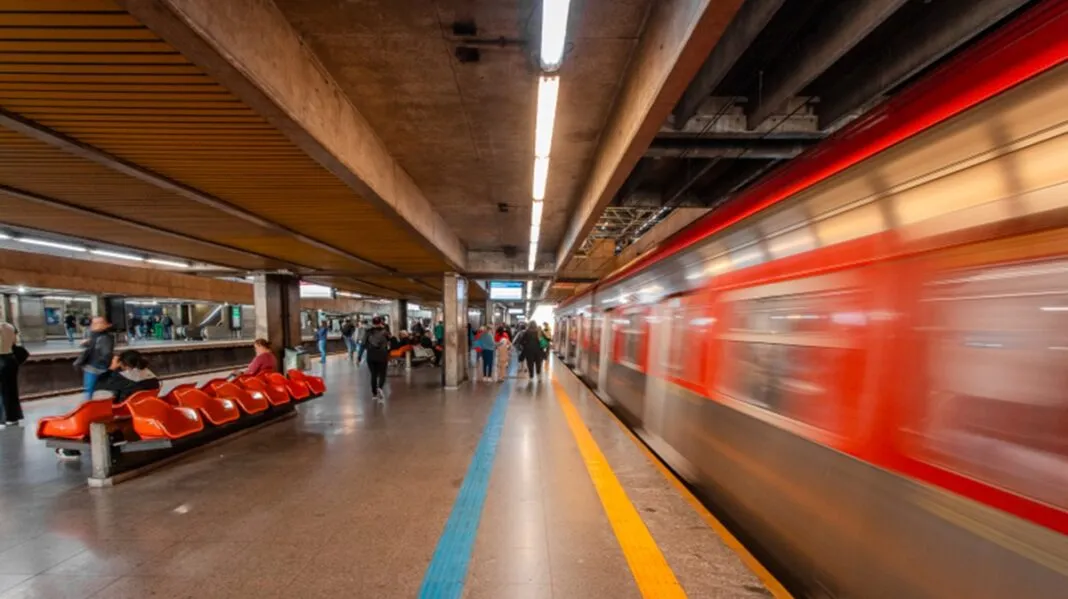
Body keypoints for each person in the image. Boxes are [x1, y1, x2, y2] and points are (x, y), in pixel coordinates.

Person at [94, 350, 160, 404]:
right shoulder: (150, 374)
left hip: (125, 409)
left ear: (123, 364)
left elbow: (97, 385)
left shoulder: (122, 378)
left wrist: (111, 368)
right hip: (146, 405)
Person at [74, 317, 115, 400]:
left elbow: (106, 352)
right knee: (89, 389)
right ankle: (89, 405)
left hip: (102, 365)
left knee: (98, 388)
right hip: (92, 366)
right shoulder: (92, 334)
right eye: (94, 323)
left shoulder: (107, 337)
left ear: (105, 325)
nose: (96, 325)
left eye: (100, 323)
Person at [360, 316, 390, 401]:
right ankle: (380, 387)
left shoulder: (368, 331)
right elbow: (390, 340)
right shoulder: (385, 331)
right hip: (382, 354)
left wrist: (359, 357)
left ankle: (374, 394)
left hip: (371, 355)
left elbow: (362, 343)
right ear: (380, 322)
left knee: (373, 374)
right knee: (382, 373)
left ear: (372, 323)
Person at [0, 322, 24, 427]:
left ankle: (2, 419)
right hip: (11, 360)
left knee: (1, 391)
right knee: (11, 390)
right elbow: (15, 342)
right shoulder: (10, 326)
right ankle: (13, 417)